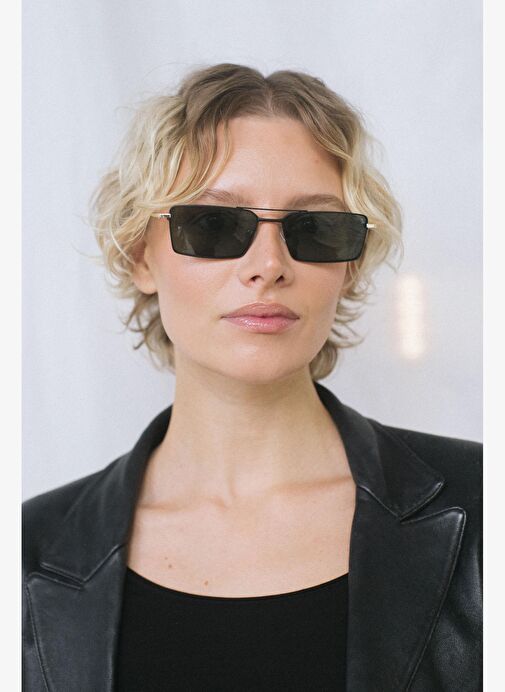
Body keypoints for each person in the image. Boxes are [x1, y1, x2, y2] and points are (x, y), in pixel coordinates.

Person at [22, 63, 482, 691]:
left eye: (314, 227)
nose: (268, 264)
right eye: (214, 225)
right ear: (139, 255)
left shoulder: (483, 508)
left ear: (349, 266)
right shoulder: (29, 554)